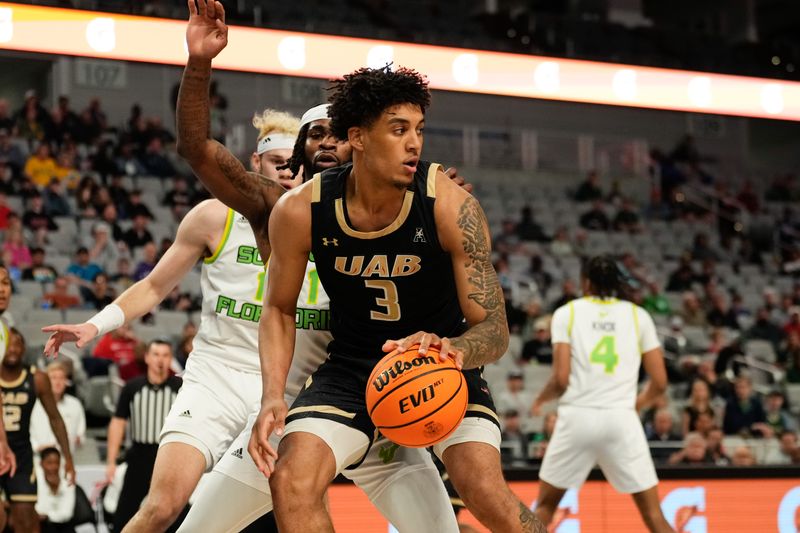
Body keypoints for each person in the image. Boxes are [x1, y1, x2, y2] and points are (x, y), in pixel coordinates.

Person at [172, 5, 478, 532]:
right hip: (294, 413)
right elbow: (197, 149)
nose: (328, 143)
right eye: (315, 135)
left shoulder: (408, 202)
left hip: (376, 402)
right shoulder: (276, 208)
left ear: (358, 139)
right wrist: (200, 63)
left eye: (338, 134)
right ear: (298, 150)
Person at [239, 61, 540, 530]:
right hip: (353, 365)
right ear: (357, 137)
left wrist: (455, 348)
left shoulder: (450, 205)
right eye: (398, 129)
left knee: (483, 489)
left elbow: (495, 329)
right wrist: (272, 395)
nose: (414, 142)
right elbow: (278, 308)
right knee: (292, 479)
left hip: (441, 362)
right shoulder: (301, 210)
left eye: (418, 128)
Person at [531, 256, 673, 532]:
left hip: (577, 418)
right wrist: (637, 405)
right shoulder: (638, 315)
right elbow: (660, 381)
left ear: (586, 282)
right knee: (654, 516)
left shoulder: (567, 313)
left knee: (545, 508)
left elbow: (561, 379)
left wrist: (540, 400)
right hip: (621, 419)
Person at [0, 328, 75, 533]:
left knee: (25, 520)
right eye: (9, 344)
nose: (13, 349)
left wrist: (68, 458)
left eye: (18, 344)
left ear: (24, 348)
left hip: (21, 455)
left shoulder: (37, 378)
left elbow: (56, 419)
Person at [106, 340, 181, 531]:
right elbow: (118, 423)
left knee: (174, 510)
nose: (160, 360)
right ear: (147, 358)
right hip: (139, 455)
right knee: (125, 511)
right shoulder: (132, 388)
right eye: (156, 354)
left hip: (169, 456)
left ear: (170, 359)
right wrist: (111, 461)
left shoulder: (180, 388)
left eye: (165, 355)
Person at [30, 362, 86, 453]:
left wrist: (78, 440)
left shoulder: (75, 404)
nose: (58, 382)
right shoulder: (34, 404)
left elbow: (81, 434)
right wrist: (37, 447)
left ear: (66, 382)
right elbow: (26, 432)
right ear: (46, 381)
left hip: (66, 459)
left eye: (61, 378)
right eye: (54, 378)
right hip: (39, 459)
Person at [35, 446, 76, 533]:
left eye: (57, 463)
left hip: (63, 526)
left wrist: (57, 489)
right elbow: (39, 511)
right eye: (49, 463)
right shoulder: (35, 479)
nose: (54, 467)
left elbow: (67, 513)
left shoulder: (67, 479)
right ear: (41, 464)